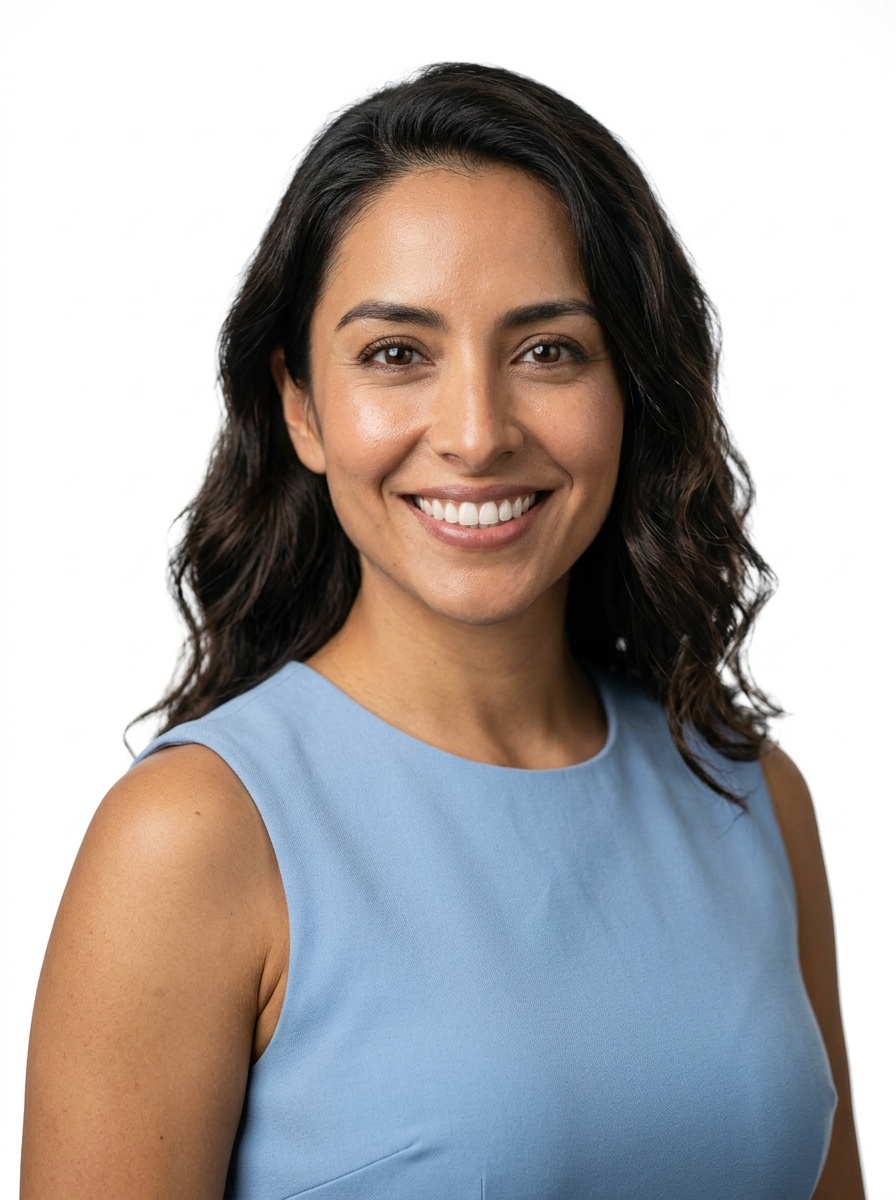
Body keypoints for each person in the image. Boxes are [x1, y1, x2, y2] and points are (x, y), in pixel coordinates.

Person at [21, 63, 864, 1199]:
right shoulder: (190, 840)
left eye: (547, 350)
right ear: (300, 406)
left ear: (632, 391)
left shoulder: (750, 795)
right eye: (395, 354)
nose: (474, 433)